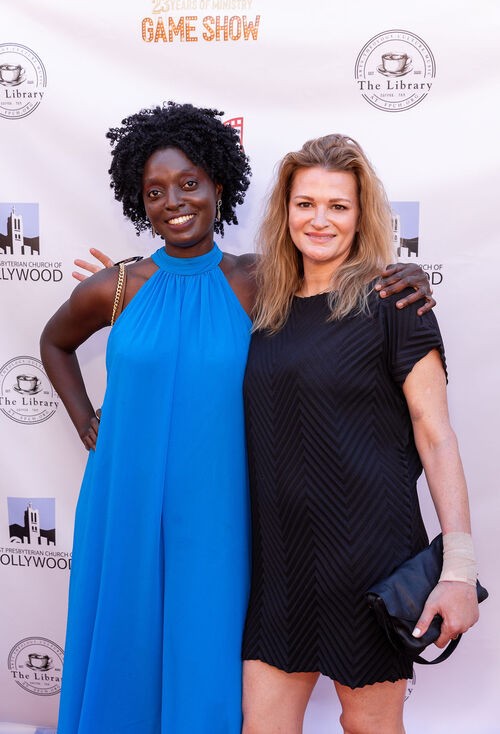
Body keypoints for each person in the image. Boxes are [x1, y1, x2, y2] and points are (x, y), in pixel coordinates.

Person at [42, 103, 433, 733]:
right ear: (139, 202)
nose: (174, 202)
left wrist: (402, 275)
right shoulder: (117, 286)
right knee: (125, 640)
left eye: (189, 184)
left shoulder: (259, 280)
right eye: (155, 192)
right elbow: (54, 343)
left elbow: (335, 280)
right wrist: (87, 422)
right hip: (124, 498)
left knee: (205, 648)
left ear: (219, 188)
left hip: (219, 505)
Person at [240, 134, 479, 734]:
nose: (319, 219)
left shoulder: (396, 303)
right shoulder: (262, 306)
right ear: (285, 211)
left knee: (369, 726)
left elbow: (436, 436)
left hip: (369, 559)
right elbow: (183, 274)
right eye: (305, 203)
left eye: (338, 206)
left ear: (361, 214)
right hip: (279, 565)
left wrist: (458, 568)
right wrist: (122, 284)